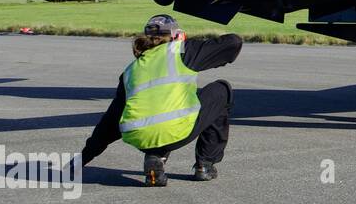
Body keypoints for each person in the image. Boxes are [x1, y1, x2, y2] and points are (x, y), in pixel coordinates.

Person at [80, 15, 242, 186]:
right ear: (175, 35)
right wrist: (188, 43)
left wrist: (82, 158)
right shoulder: (180, 51)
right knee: (220, 90)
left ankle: (156, 157)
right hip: (174, 131)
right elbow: (233, 42)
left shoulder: (131, 70)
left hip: (140, 138)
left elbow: (110, 122)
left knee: (162, 108)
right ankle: (205, 165)